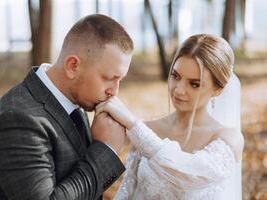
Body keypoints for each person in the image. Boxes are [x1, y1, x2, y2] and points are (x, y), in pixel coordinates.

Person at [0, 14, 133, 200]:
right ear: (73, 66)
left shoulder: (76, 101)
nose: (114, 91)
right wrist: (106, 149)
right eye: (109, 78)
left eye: (120, 80)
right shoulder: (16, 119)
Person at [96, 34, 244, 199]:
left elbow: (188, 174)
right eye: (176, 76)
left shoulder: (228, 138)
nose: (179, 90)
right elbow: (127, 191)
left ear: (218, 89)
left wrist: (133, 124)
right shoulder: (150, 129)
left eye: (194, 84)